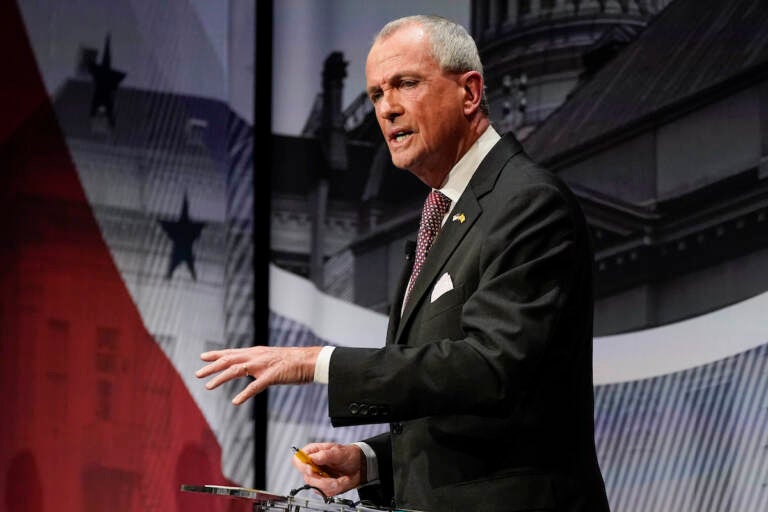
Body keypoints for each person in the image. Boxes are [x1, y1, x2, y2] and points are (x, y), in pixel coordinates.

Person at [196, 14, 610, 512]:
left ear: (470, 92)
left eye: (405, 84)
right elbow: (466, 414)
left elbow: (489, 370)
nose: (387, 109)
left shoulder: (528, 202)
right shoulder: (444, 212)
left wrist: (317, 363)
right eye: (375, 95)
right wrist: (369, 461)